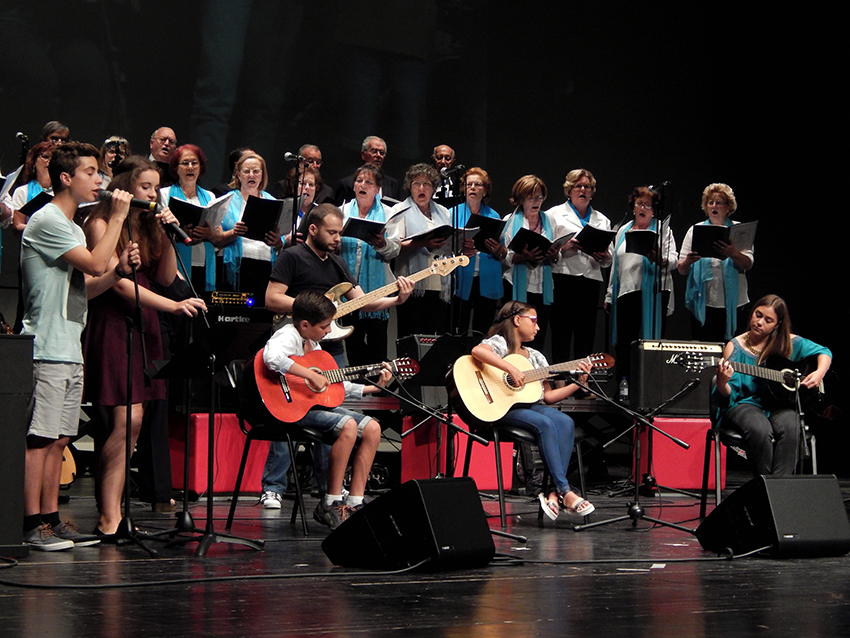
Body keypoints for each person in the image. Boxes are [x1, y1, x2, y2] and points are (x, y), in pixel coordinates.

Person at [21, 141, 138, 550]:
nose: (99, 180)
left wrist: (117, 273)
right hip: (47, 346)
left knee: (59, 439)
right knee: (40, 438)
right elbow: (92, 262)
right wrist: (119, 217)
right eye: (91, 172)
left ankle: (51, 517)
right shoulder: (48, 219)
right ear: (66, 178)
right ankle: (31, 522)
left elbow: (85, 287)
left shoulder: (71, 228)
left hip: (70, 345)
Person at [83, 157, 207, 536]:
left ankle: (115, 516)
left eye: (156, 188)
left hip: (146, 324)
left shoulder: (151, 226)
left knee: (134, 425)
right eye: (146, 187)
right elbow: (116, 283)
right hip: (115, 324)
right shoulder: (101, 224)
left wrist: (168, 233)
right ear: (125, 188)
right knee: (126, 420)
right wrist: (174, 306)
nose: (154, 195)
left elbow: (167, 277)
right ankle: (108, 516)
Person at [261, 204, 413, 508]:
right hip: (296, 340)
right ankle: (273, 486)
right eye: (332, 232)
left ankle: (328, 487)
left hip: (329, 344)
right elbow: (271, 298)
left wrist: (398, 298)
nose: (337, 238)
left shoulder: (338, 263)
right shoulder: (292, 256)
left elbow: (362, 302)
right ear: (313, 229)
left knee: (332, 406)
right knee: (288, 407)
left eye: (340, 232)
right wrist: (312, 310)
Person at [262, 291, 394, 529]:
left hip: (310, 405)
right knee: (348, 425)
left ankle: (355, 501)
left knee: (373, 427)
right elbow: (271, 358)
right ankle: (331, 501)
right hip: (290, 408)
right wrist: (308, 373)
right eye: (324, 326)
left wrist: (374, 389)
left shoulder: (314, 343)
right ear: (305, 324)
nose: (328, 331)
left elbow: (336, 384)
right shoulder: (288, 335)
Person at [470, 301, 595, 520]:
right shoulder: (500, 343)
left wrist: (579, 383)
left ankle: (553, 493)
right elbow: (478, 351)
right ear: (517, 320)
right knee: (545, 424)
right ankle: (565, 491)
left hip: (532, 407)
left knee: (565, 422)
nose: (538, 327)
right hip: (503, 407)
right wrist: (510, 368)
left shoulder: (536, 357)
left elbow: (547, 396)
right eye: (534, 321)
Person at [714, 295, 831, 476]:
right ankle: (764, 488)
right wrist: (722, 380)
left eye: (768, 320)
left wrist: (819, 373)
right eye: (758, 315)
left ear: (777, 325)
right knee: (760, 429)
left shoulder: (788, 342)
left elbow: (824, 352)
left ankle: (779, 489)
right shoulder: (735, 346)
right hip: (745, 404)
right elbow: (728, 392)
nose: (759, 322)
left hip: (778, 404)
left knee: (792, 427)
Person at [605, 186, 678, 380]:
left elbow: (674, 261)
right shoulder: (623, 230)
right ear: (633, 206)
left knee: (651, 341)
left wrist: (659, 258)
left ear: (654, 209)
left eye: (648, 204)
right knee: (625, 342)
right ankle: (625, 385)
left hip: (655, 292)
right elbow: (616, 266)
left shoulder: (663, 229)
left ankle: (650, 387)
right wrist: (610, 294)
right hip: (627, 291)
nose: (643, 207)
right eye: (640, 203)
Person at [546, 169, 612, 361]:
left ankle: (582, 380)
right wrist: (562, 248)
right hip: (563, 277)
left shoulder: (602, 219)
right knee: (561, 332)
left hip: (590, 279)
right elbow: (548, 249)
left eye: (587, 187)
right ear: (569, 190)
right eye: (578, 186)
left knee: (586, 332)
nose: (583, 190)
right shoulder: (554, 214)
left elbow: (609, 258)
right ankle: (561, 382)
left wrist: (604, 256)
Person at [338, 163, 400, 364]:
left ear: (377, 189)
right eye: (359, 180)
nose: (362, 184)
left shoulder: (389, 213)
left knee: (377, 342)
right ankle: (359, 386)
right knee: (353, 342)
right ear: (354, 186)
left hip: (378, 287)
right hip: (347, 289)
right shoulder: (342, 211)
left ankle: (377, 387)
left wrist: (382, 243)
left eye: (368, 182)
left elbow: (395, 250)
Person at [678, 183, 754, 343]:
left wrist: (732, 253)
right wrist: (689, 261)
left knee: (731, 351)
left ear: (728, 207)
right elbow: (681, 269)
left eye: (719, 202)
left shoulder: (739, 230)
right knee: (704, 349)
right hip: (703, 303)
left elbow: (748, 264)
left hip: (735, 304)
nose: (714, 206)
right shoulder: (695, 230)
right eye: (710, 202)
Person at [386, 163, 453, 336]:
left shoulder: (444, 212)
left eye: (427, 184)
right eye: (416, 183)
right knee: (411, 333)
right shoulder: (399, 210)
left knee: (435, 334)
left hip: (439, 281)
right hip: (411, 283)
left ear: (434, 188)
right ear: (410, 186)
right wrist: (423, 243)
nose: (421, 188)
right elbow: (395, 247)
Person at [500, 175, 562, 352]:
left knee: (537, 336)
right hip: (515, 284)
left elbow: (557, 256)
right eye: (531, 197)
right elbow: (504, 257)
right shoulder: (509, 221)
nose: (537, 201)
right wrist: (522, 257)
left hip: (542, 286)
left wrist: (554, 255)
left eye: (540, 197)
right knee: (514, 335)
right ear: (521, 198)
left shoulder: (549, 221)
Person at [213, 152, 278, 306]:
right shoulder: (226, 201)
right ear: (238, 175)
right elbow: (216, 240)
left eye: (256, 171)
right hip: (236, 266)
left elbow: (280, 240)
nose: (251, 175)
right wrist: (234, 233)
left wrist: (278, 242)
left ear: (262, 175)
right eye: (246, 171)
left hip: (265, 265)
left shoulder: (272, 202)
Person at [453, 167, 505, 336]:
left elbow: (502, 252)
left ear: (485, 190)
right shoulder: (453, 213)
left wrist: (497, 249)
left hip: (487, 277)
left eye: (478, 184)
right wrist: (460, 248)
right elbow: (444, 246)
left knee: (482, 329)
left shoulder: (494, 215)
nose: (473, 188)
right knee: (458, 326)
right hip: (460, 276)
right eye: (469, 184)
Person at [160, 144, 218, 292]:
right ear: (176, 168)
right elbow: (158, 231)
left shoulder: (209, 196)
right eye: (185, 163)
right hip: (176, 260)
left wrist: (208, 233)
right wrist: (180, 232)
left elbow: (217, 232)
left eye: (194, 163)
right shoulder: (164, 194)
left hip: (204, 262)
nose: (190, 167)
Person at [333, 136, 402, 205]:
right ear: (363, 155)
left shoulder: (392, 184)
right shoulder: (346, 184)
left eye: (381, 153)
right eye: (374, 151)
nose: (378, 155)